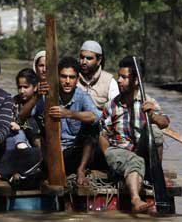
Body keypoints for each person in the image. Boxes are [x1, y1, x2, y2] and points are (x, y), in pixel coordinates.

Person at [99, 56, 170, 212]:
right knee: (134, 160)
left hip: (140, 154)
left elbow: (165, 123)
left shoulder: (148, 102)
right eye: (119, 76)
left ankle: (155, 173)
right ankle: (135, 199)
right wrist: (109, 158)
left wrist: (153, 116)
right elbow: (103, 136)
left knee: (156, 132)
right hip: (118, 152)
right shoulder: (111, 106)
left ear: (136, 81)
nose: (119, 80)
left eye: (124, 77)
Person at [47, 56, 101, 185]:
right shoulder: (49, 95)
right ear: (57, 77)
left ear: (77, 80)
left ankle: (81, 169)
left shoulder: (81, 96)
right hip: (54, 152)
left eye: (71, 77)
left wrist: (69, 114)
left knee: (93, 127)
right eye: (63, 76)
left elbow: (96, 116)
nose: (67, 81)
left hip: (76, 151)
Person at [77, 40, 119, 110]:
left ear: (99, 60)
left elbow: (116, 110)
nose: (84, 62)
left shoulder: (109, 82)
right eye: (82, 57)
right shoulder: (72, 78)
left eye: (89, 58)